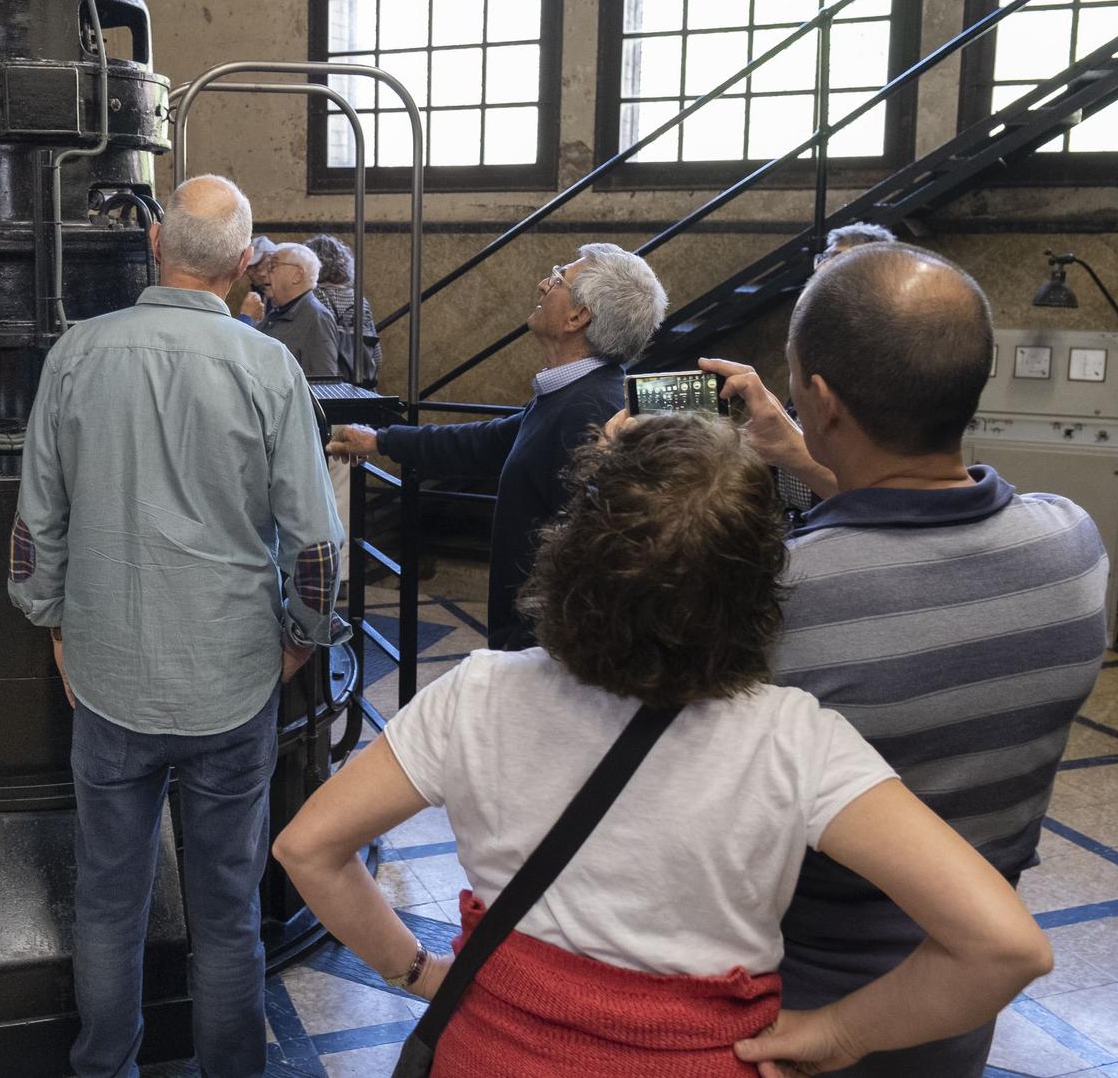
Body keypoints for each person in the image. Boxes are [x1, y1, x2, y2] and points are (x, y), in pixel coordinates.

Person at [275, 415, 1055, 1077]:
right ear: (759, 581)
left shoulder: (478, 693)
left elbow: (309, 846)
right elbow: (1001, 946)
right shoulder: (793, 739)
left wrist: (415, 969)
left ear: (573, 551)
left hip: (487, 1049)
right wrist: (836, 1033)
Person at [694, 243, 1109, 1078]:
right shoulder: (1076, 545)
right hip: (955, 1005)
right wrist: (808, 453)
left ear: (820, 399)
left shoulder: (776, 597)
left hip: (795, 1017)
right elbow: (917, 508)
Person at [8, 175, 347, 1078]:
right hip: (236, 682)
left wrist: (53, 623)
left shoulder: (76, 355)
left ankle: (103, 1066)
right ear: (244, 266)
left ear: (155, 248)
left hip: (108, 682)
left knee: (109, 906)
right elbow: (315, 544)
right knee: (227, 911)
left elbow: (35, 527)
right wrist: (299, 639)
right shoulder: (269, 367)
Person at [327, 244, 666, 651]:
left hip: (544, 649)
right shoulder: (571, 395)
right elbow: (487, 443)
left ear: (579, 316)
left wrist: (532, 655)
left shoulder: (590, 411)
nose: (544, 283)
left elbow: (589, 564)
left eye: (558, 278)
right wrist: (381, 439)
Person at [776, 223, 899, 517]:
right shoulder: (820, 342)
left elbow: (886, 502)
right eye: (825, 256)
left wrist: (793, 454)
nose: (823, 267)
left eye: (837, 258)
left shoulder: (889, 361)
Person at [256, 242, 346, 380]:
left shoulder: (317, 318)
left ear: (297, 275)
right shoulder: (276, 313)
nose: (264, 273)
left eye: (273, 266)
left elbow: (323, 383)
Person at [306, 232, 381, 387]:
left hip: (324, 385)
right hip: (359, 384)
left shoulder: (311, 298)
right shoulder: (360, 300)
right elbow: (377, 355)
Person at [227, 234, 276, 325]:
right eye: (248, 268)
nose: (251, 273)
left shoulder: (282, 295)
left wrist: (247, 317)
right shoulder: (259, 292)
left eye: (257, 266)